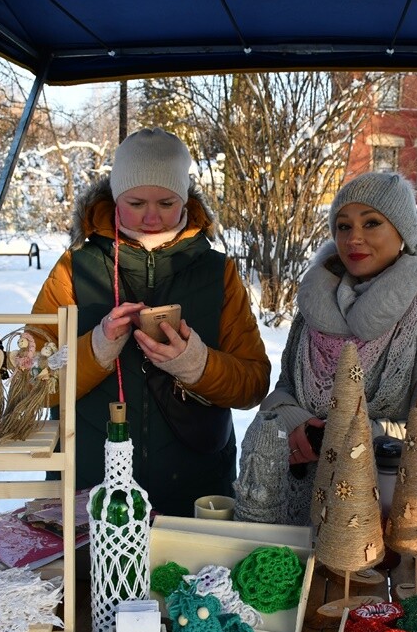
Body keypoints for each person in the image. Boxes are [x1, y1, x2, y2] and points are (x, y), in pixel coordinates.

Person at [33, 128, 270, 517]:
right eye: (136, 202)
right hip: (89, 491)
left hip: (195, 490)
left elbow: (253, 383)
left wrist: (197, 365)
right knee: (91, 580)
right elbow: (32, 383)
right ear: (114, 197)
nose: (151, 216)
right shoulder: (74, 269)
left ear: (186, 198)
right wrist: (94, 351)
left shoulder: (218, 271)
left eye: (166, 201)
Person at [240, 171, 417, 525]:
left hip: (374, 523)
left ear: (403, 234)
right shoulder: (317, 303)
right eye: (343, 226)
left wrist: (338, 437)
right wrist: (297, 424)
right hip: (290, 512)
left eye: (372, 222)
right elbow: (285, 389)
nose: (353, 238)